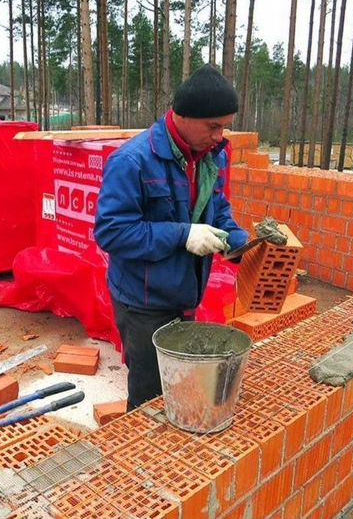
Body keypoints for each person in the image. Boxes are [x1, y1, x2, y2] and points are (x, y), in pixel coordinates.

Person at [95, 64, 248, 410]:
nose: (219, 135)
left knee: (177, 387)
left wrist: (237, 240)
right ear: (183, 115)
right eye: (213, 126)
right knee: (149, 397)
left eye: (224, 126)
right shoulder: (132, 162)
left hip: (184, 296)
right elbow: (112, 232)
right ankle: (138, 460)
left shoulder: (211, 157)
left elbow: (218, 207)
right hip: (143, 302)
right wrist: (182, 235)